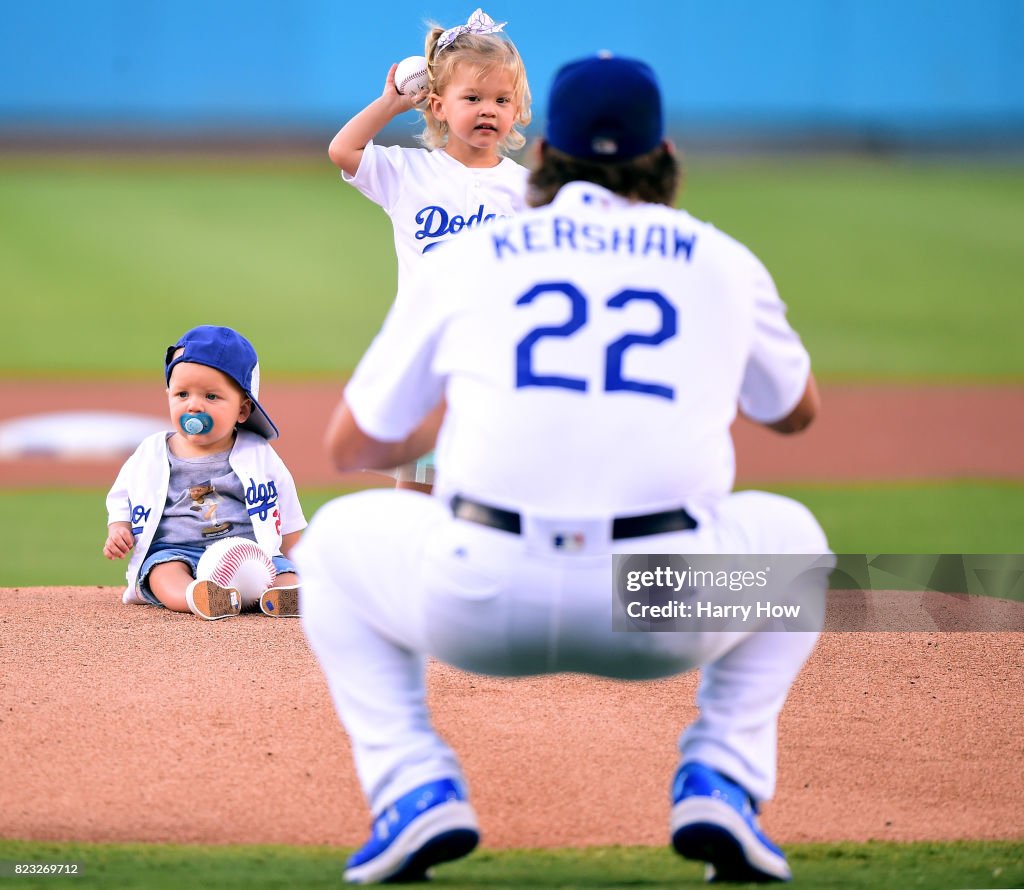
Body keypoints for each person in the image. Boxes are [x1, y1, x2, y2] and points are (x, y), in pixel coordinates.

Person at [296, 54, 830, 884]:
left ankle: (411, 785)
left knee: (331, 542)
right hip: (660, 607)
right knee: (794, 541)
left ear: (540, 153)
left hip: (481, 601)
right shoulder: (720, 258)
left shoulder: (475, 259)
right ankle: (722, 778)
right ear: (667, 155)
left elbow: (352, 449)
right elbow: (794, 414)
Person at [327, 7, 532, 492]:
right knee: (418, 492)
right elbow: (343, 151)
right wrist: (390, 106)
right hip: (427, 357)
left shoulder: (526, 190)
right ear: (438, 106)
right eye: (473, 97)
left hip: (494, 357)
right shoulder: (408, 173)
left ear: (517, 110)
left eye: (503, 99)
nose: (489, 109)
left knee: (491, 487)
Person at [104, 325, 307, 620]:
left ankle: (285, 595)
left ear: (242, 409)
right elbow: (122, 494)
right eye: (182, 394)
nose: (194, 405)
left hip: (248, 554)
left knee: (284, 571)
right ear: (168, 395)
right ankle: (196, 597)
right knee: (161, 572)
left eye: (211, 397)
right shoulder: (152, 451)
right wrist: (119, 528)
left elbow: (286, 508)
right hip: (178, 551)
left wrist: (297, 560)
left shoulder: (257, 453)